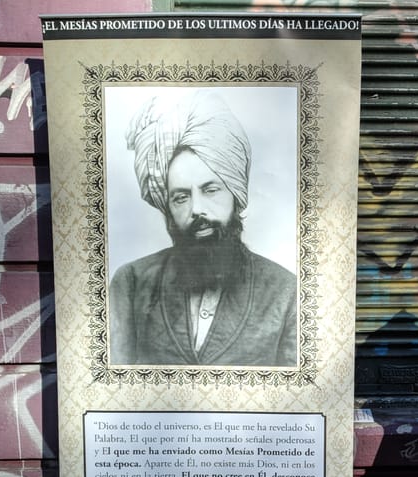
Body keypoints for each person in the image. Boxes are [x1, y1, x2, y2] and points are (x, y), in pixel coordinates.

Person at [109, 89, 298, 367]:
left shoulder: (285, 292)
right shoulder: (132, 283)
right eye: (181, 197)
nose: (197, 208)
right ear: (169, 209)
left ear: (236, 195)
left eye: (210, 189)